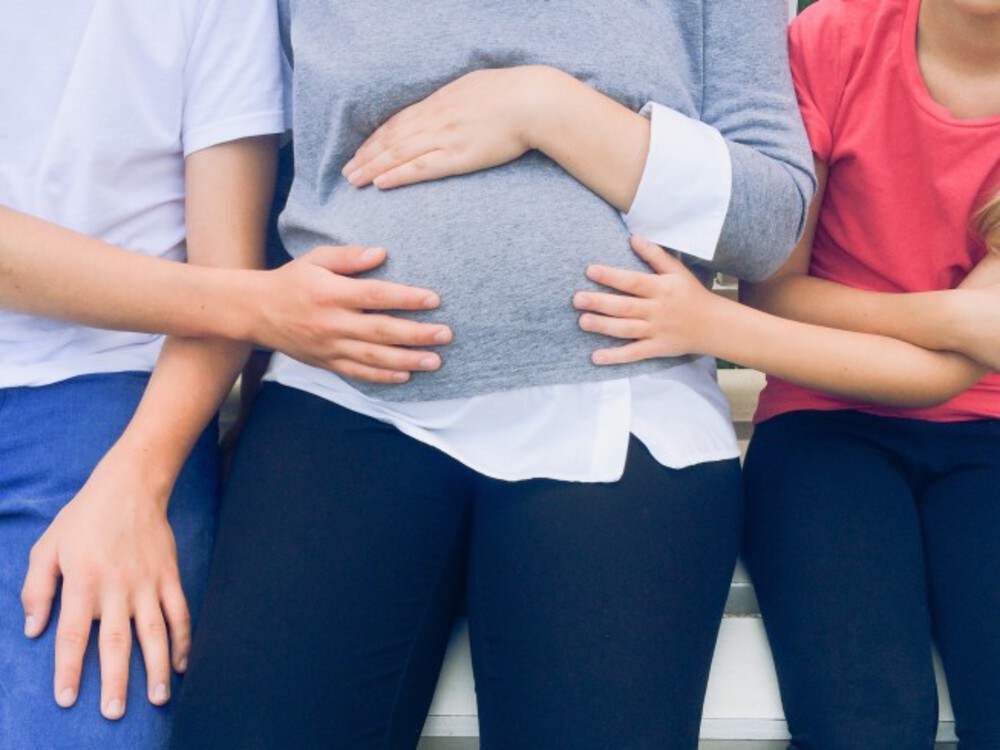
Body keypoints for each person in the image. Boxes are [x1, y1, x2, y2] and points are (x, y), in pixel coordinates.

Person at [171, 1, 814, 748]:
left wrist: (545, 107)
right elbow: (261, 182)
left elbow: (770, 227)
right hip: (341, 396)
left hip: (622, 409)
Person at [0, 2, 447, 747]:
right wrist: (258, 303)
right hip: (141, 373)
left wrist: (135, 483)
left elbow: (226, 261)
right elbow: (241, 294)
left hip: (115, 407)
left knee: (89, 720)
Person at [574, 0, 1000, 746]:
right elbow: (778, 285)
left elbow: (948, 370)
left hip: (989, 436)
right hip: (824, 428)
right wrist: (958, 320)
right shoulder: (835, 38)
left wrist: (716, 326)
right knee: (862, 722)